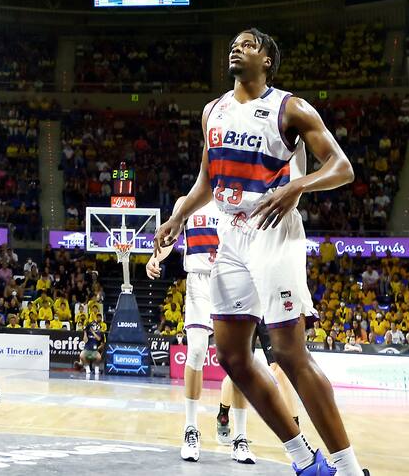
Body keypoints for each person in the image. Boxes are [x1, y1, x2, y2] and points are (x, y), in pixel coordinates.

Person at [155, 29, 368, 476]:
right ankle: (305, 461)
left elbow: (341, 167)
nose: (236, 47)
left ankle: (349, 469)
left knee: (289, 352)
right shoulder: (212, 110)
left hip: (273, 231)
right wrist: (179, 213)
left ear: (268, 59)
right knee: (233, 356)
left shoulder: (290, 107)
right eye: (233, 43)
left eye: (249, 44)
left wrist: (298, 185)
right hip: (229, 237)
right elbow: (208, 181)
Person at [147, 198, 256, 464]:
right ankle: (190, 428)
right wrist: (154, 258)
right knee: (195, 351)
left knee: (239, 363)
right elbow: (171, 237)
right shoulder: (187, 202)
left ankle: (240, 437)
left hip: (232, 280)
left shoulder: (237, 197)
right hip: (199, 280)